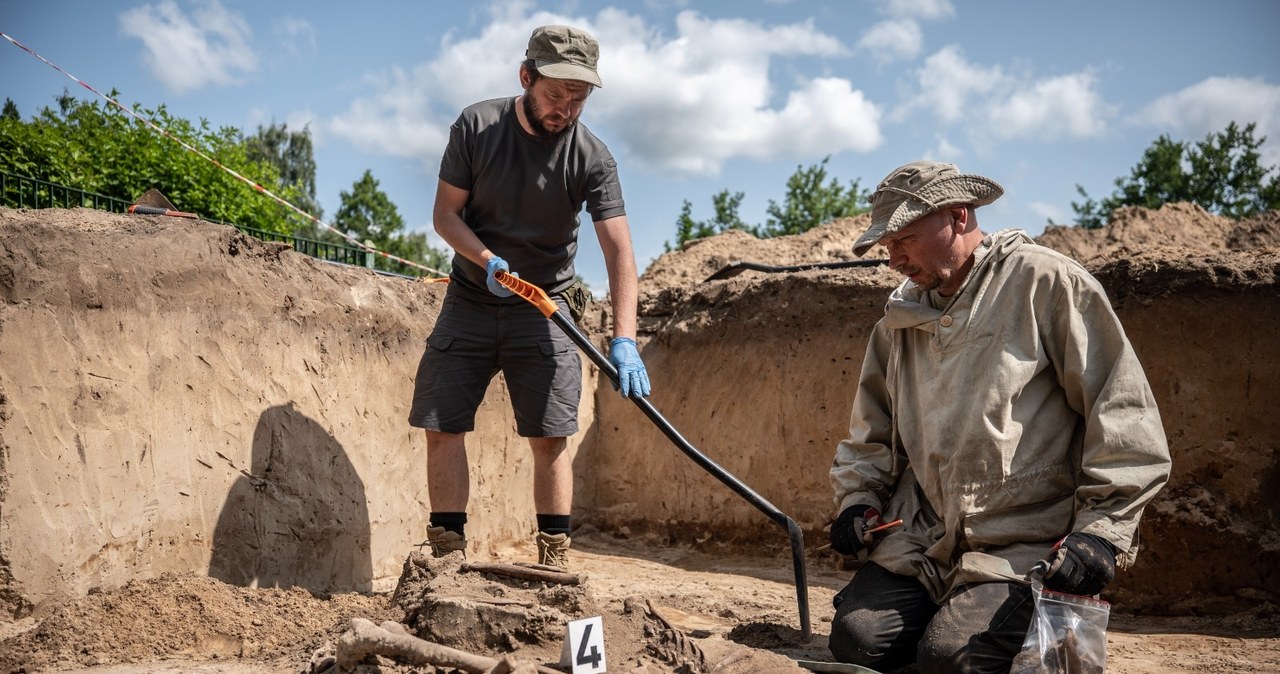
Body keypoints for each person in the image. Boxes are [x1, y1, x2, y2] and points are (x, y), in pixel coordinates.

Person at [827, 160, 1172, 672]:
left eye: (905, 239)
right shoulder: (899, 321)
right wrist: (858, 500)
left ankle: (1005, 628)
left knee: (951, 658)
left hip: (1026, 539)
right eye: (887, 246)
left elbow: (1119, 407)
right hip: (926, 536)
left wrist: (1103, 531)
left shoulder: (1045, 283)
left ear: (959, 216)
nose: (894, 259)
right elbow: (871, 429)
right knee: (858, 641)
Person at [408, 25, 650, 570]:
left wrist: (626, 340)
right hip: (471, 298)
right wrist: (486, 260)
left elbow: (619, 253)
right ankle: (447, 558)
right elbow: (445, 215)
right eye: (555, 94)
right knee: (443, 424)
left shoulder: (593, 157)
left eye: (579, 97)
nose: (565, 108)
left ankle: (554, 564)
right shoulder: (477, 126)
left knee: (551, 436)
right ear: (526, 78)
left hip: (547, 310)